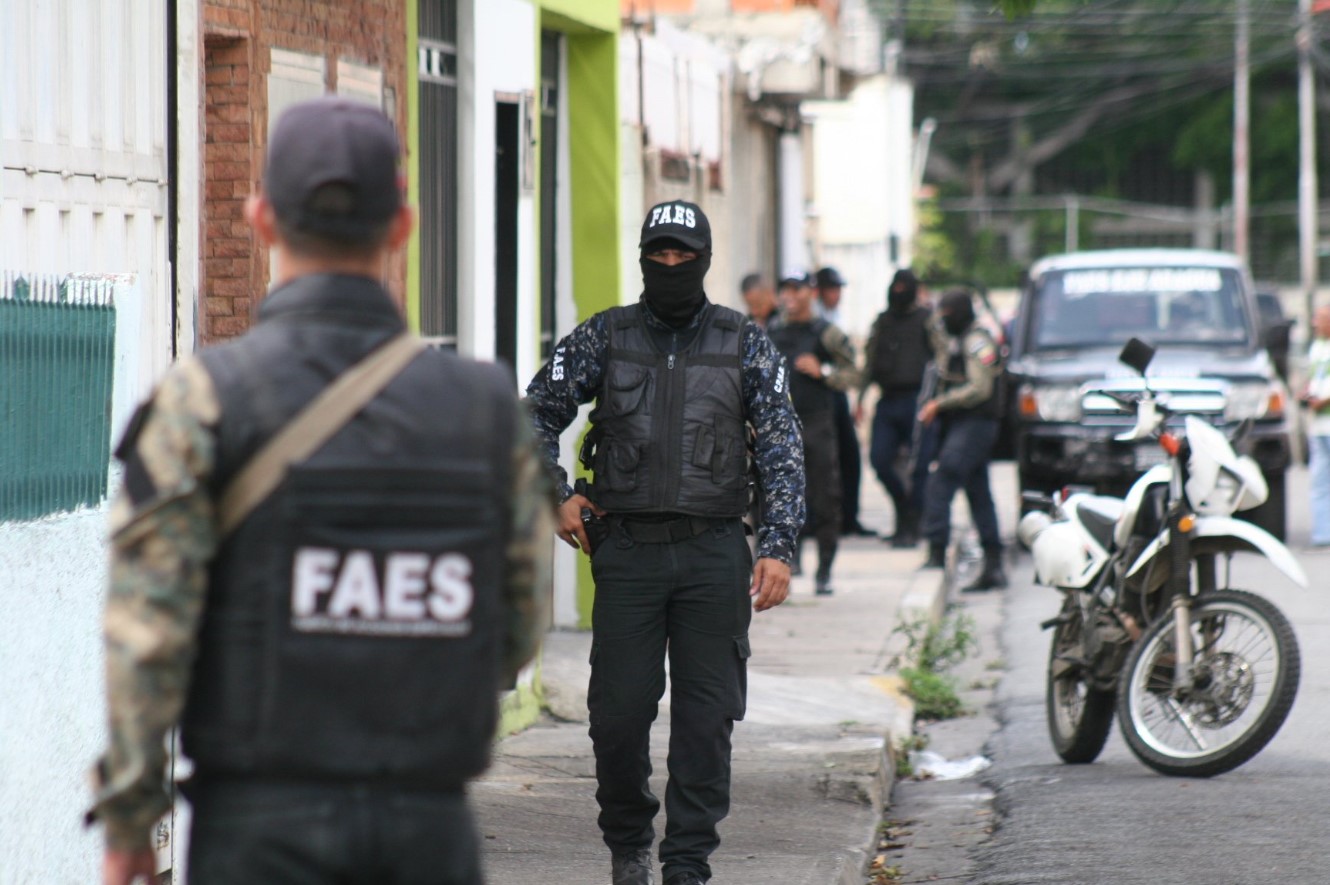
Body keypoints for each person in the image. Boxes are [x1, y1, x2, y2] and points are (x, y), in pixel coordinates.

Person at [87, 96, 553, 885]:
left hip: (260, 832)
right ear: (403, 225)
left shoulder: (205, 400)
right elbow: (518, 628)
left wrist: (133, 818)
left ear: (260, 218)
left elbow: (148, 632)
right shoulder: (487, 411)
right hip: (429, 830)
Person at [524, 199, 805, 885]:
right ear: (645, 259)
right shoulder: (605, 337)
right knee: (616, 718)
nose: (672, 267)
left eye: (684, 256)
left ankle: (687, 864)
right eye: (661, 256)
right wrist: (554, 493)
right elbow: (532, 414)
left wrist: (779, 543)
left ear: (704, 260)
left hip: (714, 554)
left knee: (706, 723)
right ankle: (628, 843)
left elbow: (781, 446)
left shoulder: (745, 342)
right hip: (628, 553)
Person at [769, 274, 858, 595]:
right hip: (779, 425)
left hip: (817, 422)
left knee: (824, 497)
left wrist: (824, 371)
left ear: (810, 293)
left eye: (797, 289)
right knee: (779, 498)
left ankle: (824, 570)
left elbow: (854, 373)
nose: (790, 296)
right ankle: (784, 564)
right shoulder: (772, 332)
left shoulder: (826, 333)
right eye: (785, 290)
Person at [917, 288, 1007, 591]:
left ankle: (936, 550)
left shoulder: (977, 341)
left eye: (947, 315)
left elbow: (979, 389)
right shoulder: (956, 339)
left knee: (942, 479)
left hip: (976, 422)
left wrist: (939, 404)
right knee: (978, 491)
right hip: (962, 424)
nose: (944, 321)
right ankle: (994, 564)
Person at [859, 269, 932, 547]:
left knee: (918, 468)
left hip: (917, 400)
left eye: (905, 286)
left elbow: (941, 357)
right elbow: (869, 360)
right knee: (880, 460)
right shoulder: (883, 322)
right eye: (896, 286)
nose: (899, 291)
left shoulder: (926, 320)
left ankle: (912, 524)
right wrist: (860, 399)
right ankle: (905, 511)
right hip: (888, 400)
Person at [814, 265, 871, 536]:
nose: (837, 295)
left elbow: (851, 370)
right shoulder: (813, 320)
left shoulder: (834, 318)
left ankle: (849, 517)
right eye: (832, 289)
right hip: (814, 402)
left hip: (835, 396)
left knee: (849, 458)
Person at [1302, 305, 1330, 546]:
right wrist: (1305, 393)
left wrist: (1324, 400)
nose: (1314, 323)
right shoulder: (1317, 347)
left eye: (1320, 318)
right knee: (1319, 481)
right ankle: (1323, 535)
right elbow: (1312, 379)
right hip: (1318, 425)